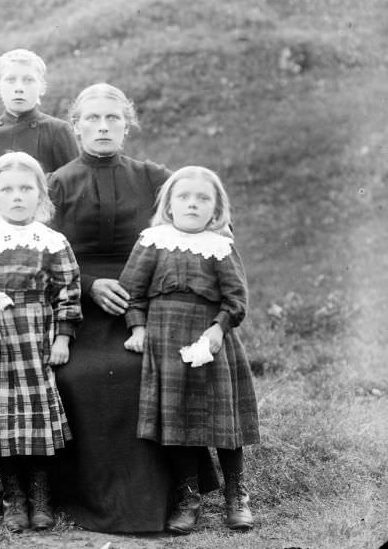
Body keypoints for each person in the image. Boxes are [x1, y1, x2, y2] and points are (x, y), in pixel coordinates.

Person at [48, 83, 218, 533]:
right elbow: (43, 253)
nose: (103, 127)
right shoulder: (59, 182)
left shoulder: (154, 176)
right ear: (76, 126)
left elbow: (208, 220)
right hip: (80, 305)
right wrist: (89, 285)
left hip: (150, 304)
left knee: (145, 368)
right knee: (79, 373)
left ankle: (179, 492)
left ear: (127, 125)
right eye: (92, 119)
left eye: (112, 119)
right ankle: (69, 494)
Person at [120, 165, 259, 534]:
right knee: (176, 417)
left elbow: (236, 298)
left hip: (210, 340)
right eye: (184, 197)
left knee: (223, 418)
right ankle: (188, 497)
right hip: (164, 337)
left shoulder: (220, 246)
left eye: (202, 199)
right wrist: (137, 326)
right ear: (169, 205)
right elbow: (132, 291)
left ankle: (236, 495)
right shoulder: (152, 241)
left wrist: (219, 328)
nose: (192, 204)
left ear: (216, 209)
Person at [0, 151, 82, 533]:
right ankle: (13, 495)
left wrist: (63, 336)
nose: (18, 196)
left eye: (26, 188)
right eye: (8, 189)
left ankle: (40, 493)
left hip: (36, 331)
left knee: (37, 411)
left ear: (41, 195)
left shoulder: (51, 241)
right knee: (4, 414)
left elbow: (68, 291)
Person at [0, 48, 79, 217]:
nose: (19, 88)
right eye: (11, 80)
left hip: (44, 230)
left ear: (42, 87)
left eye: (28, 80)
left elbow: (74, 186)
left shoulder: (58, 130)